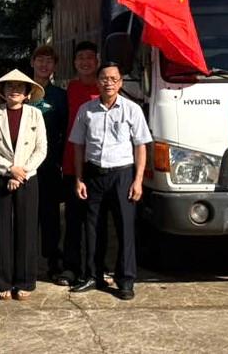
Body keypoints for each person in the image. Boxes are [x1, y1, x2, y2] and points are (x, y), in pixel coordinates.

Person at [69, 62, 152, 300]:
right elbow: (78, 146)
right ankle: (93, 275)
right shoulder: (86, 110)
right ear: (97, 82)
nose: (108, 83)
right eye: (104, 78)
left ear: (120, 83)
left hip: (122, 175)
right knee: (93, 228)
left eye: (113, 79)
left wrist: (137, 181)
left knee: (125, 228)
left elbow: (141, 146)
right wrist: (79, 178)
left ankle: (125, 280)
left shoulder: (132, 109)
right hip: (93, 174)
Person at [0, 70, 47, 300]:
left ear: (28, 93)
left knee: (26, 229)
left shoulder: (35, 115)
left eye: (20, 87)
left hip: (28, 178)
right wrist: (10, 169)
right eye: (10, 86)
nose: (14, 90)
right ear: (2, 90)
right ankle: (0, 280)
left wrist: (22, 173)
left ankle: (25, 281)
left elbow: (41, 149)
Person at [59, 41, 104, 286]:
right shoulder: (70, 89)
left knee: (96, 220)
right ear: (74, 63)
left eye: (90, 57)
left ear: (97, 61)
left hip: (99, 164)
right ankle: (70, 267)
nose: (85, 62)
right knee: (73, 218)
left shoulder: (106, 88)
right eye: (80, 58)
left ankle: (96, 266)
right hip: (71, 164)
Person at [29, 45, 69, 279]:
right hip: (24, 166)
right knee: (25, 217)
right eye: (40, 60)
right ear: (32, 62)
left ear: (54, 66)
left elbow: (65, 131)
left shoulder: (60, 96)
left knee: (50, 216)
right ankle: (24, 262)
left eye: (49, 61)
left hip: (50, 165)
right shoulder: (21, 90)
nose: (44, 65)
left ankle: (54, 260)